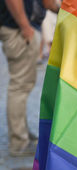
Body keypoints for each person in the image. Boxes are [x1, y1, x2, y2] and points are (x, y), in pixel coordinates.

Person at [0, 0, 59, 157]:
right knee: (19, 87)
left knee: (24, 85)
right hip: (19, 30)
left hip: (23, 28)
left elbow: (47, 3)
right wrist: (25, 26)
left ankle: (23, 133)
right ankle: (19, 142)